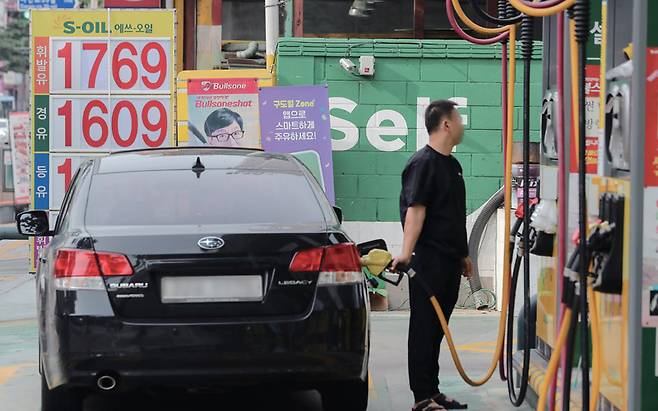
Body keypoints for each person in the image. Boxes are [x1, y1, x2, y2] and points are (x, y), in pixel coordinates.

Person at [392, 100, 473, 411]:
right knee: (424, 329)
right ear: (446, 125)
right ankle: (422, 398)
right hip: (428, 261)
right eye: (459, 119)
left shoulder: (452, 165)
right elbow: (416, 210)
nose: (463, 125)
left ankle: (433, 391)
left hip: (450, 260)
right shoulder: (422, 163)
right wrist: (406, 252)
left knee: (437, 330)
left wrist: (464, 254)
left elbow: (453, 215)